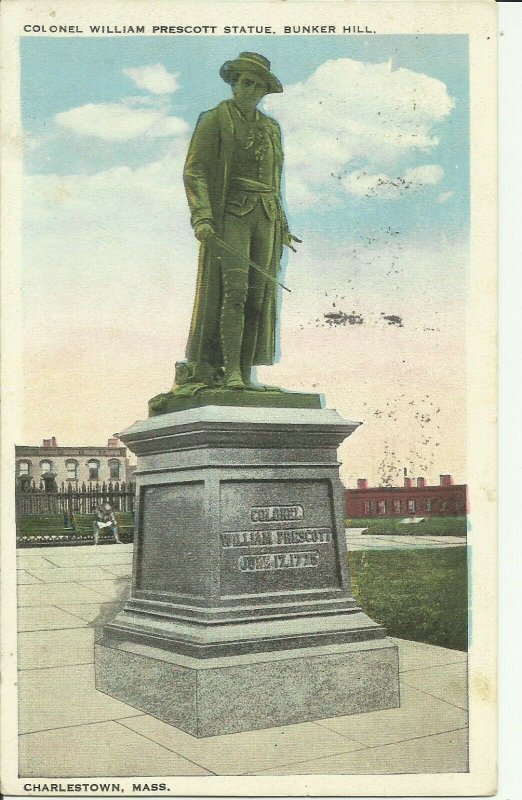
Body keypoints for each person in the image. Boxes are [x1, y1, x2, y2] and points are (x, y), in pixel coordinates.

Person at [181, 52, 300, 391]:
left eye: (258, 86)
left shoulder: (271, 128)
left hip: (266, 217)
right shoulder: (215, 119)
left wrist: (284, 225)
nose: (252, 90)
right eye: (246, 83)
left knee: (258, 296)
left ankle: (247, 373)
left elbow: (275, 180)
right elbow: (195, 171)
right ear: (234, 83)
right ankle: (230, 370)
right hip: (231, 213)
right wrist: (202, 216)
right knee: (235, 291)